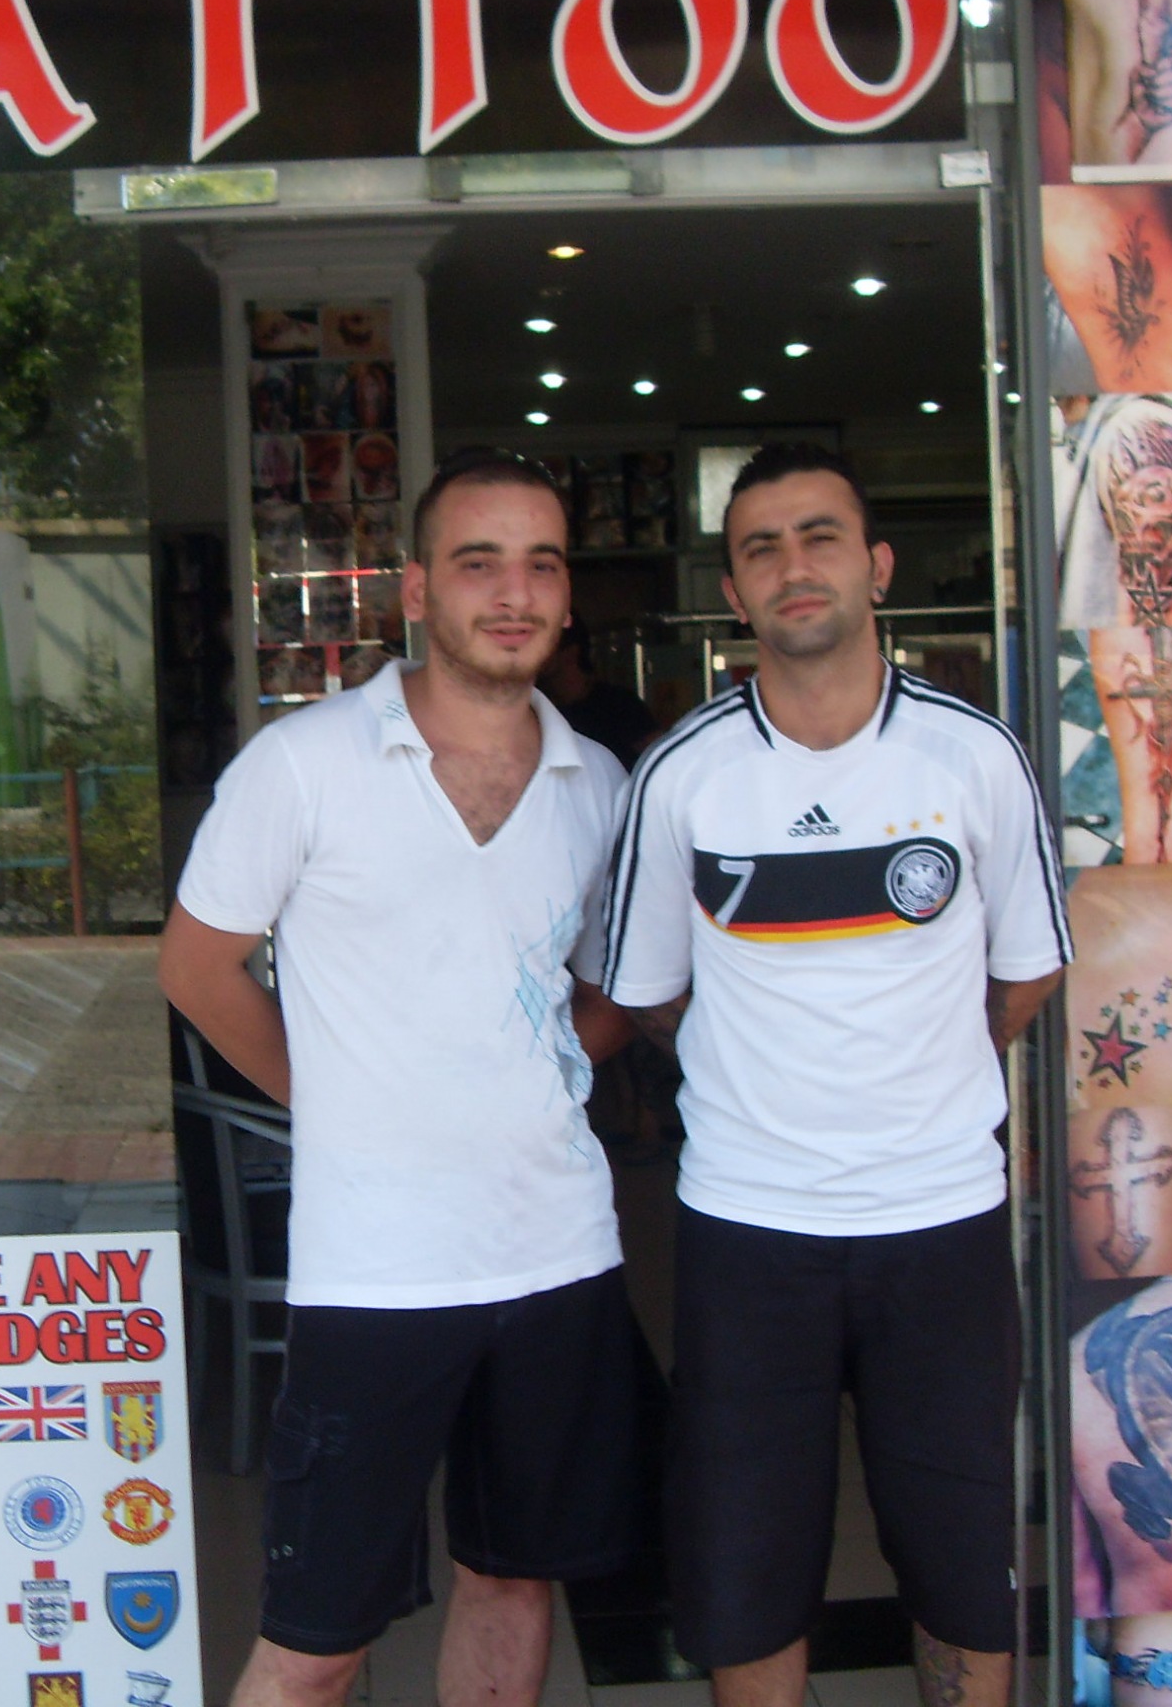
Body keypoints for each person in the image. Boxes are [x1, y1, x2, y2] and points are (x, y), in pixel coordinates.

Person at [160, 447, 643, 1707]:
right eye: (479, 563)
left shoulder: (598, 785)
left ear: (566, 593)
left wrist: (533, 1071)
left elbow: (614, 991)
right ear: (418, 590)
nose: (514, 593)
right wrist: (338, 1098)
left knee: (513, 1581)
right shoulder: (303, 762)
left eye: (541, 564)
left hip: (557, 1254)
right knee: (317, 1640)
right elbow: (197, 967)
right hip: (375, 1270)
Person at [601, 445, 1070, 1707]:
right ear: (734, 592)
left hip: (941, 1221)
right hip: (749, 1228)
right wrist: (766, 1074)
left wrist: (917, 1075)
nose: (792, 565)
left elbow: (1024, 975)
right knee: (745, 1565)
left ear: (877, 567)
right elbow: (647, 995)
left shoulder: (974, 757)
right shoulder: (683, 775)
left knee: (960, 1561)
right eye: (761, 547)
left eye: (819, 536)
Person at [541, 622, 659, 769]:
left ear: (571, 652)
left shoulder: (620, 704)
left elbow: (657, 760)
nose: (539, 654)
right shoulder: (539, 709)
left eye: (547, 646)